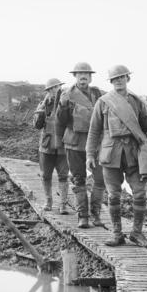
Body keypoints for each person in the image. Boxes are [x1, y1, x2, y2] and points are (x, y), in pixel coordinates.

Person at [86, 65, 147, 249]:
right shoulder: (103, 102)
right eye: (115, 78)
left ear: (128, 79)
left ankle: (137, 233)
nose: (118, 81)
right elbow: (94, 131)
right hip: (111, 153)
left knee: (140, 193)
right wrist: (90, 155)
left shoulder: (136, 101)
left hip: (133, 153)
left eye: (122, 77)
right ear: (111, 82)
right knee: (114, 195)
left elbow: (145, 126)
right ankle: (117, 234)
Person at [56, 62, 106, 227]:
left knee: (100, 179)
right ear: (75, 76)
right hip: (74, 143)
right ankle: (82, 216)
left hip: (96, 144)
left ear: (90, 77)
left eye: (86, 74)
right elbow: (60, 121)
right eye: (80, 74)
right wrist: (63, 106)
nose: (83, 76)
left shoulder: (98, 93)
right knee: (79, 179)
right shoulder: (66, 94)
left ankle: (96, 214)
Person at [33, 78, 69, 213]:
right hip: (46, 146)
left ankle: (63, 204)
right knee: (45, 176)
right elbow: (37, 126)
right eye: (50, 89)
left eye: (56, 87)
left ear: (60, 87)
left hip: (63, 146)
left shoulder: (67, 102)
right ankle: (48, 201)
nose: (53, 91)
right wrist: (40, 111)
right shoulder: (43, 104)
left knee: (64, 176)